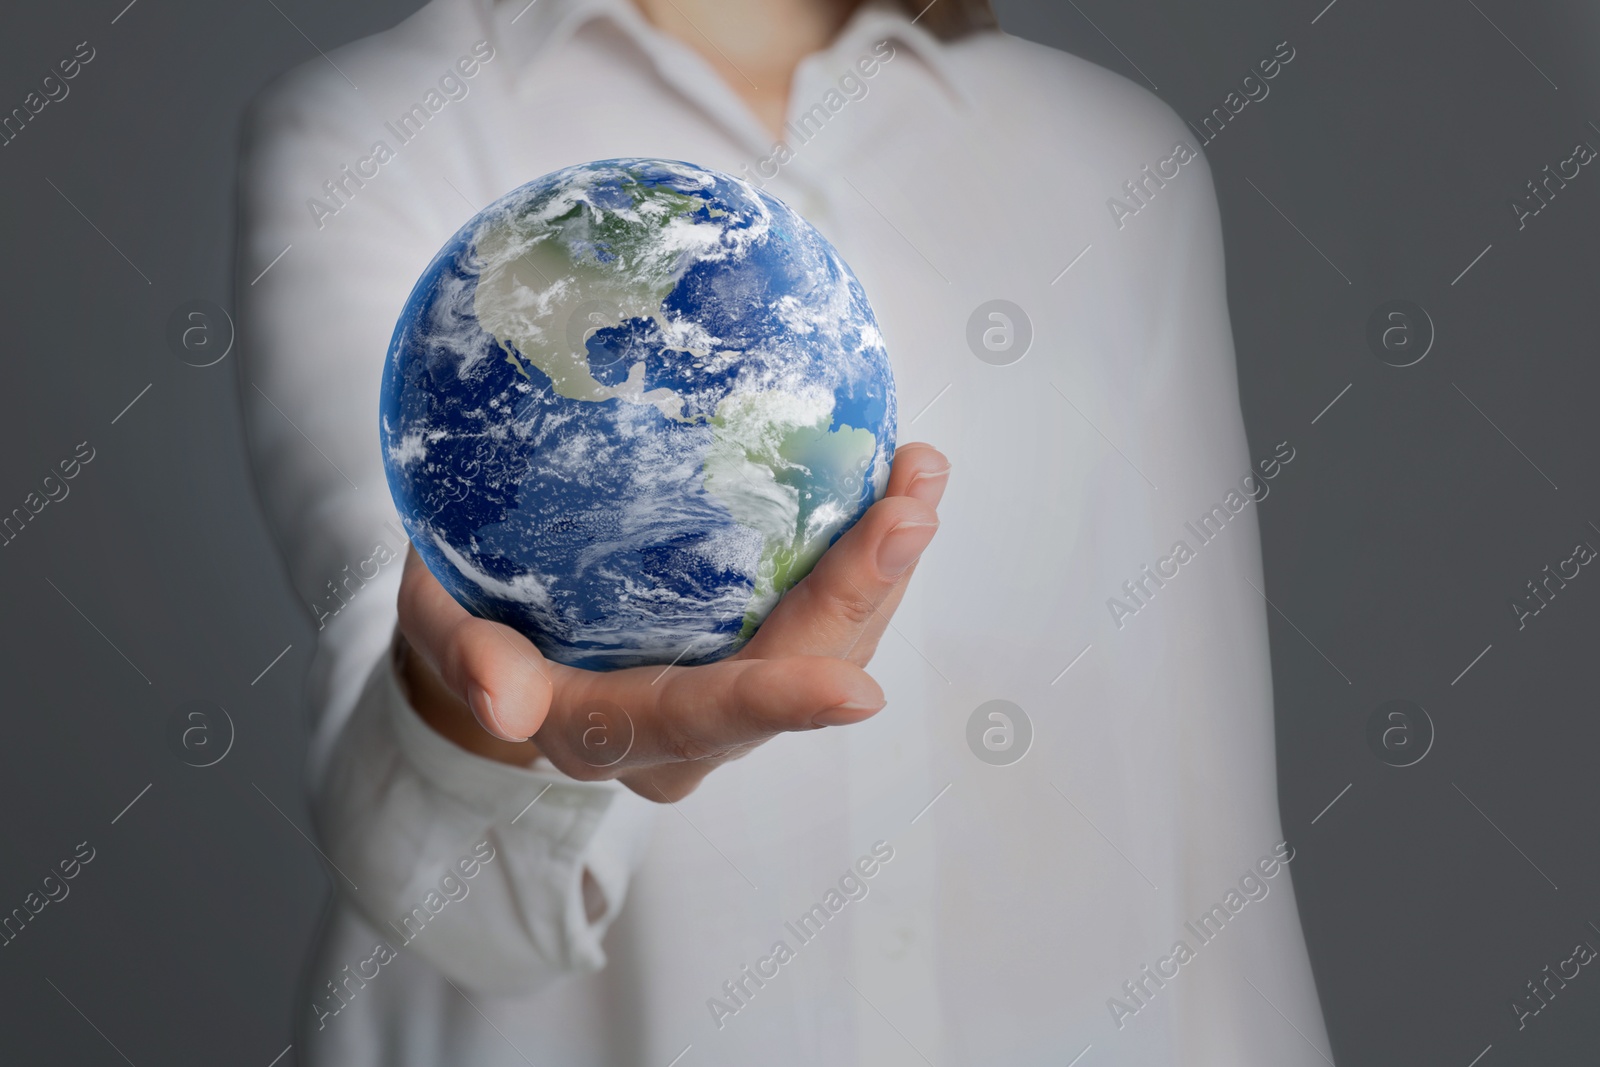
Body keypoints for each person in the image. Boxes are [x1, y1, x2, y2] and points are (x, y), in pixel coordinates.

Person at [237, 0, 1332, 1063]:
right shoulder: (372, 128)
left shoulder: (1110, 161)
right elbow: (440, 881)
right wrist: (476, 719)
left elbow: (1202, 801)